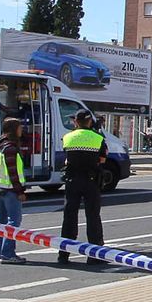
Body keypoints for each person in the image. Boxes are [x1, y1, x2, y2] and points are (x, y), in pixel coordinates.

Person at [58, 109, 106, 264]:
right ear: (90, 121)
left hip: (72, 180)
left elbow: (67, 157)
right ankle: (94, 256)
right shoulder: (98, 138)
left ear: (75, 122)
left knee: (69, 217)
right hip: (91, 181)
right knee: (93, 216)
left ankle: (64, 254)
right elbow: (103, 159)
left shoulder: (67, 137)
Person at [0, 117, 28, 264]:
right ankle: (7, 254)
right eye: (19, 127)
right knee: (14, 222)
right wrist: (20, 192)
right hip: (11, 190)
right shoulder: (10, 148)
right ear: (13, 129)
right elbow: (13, 173)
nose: (21, 130)